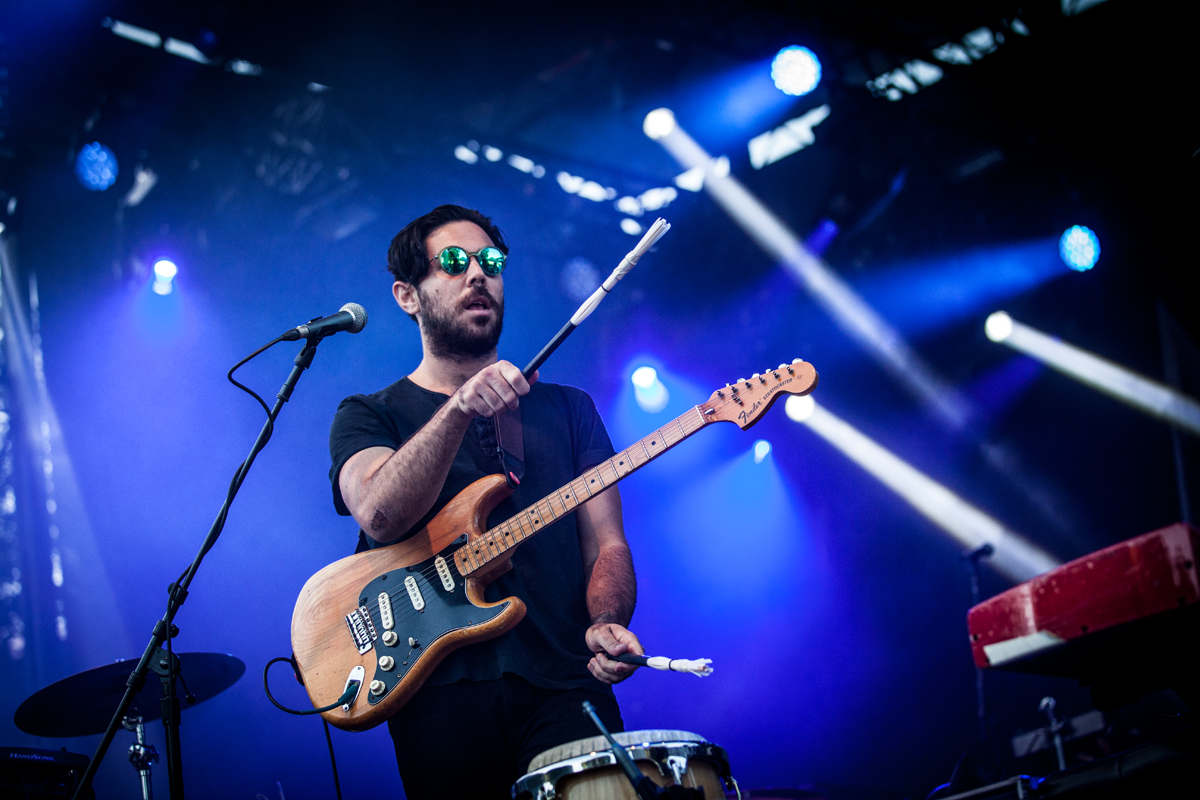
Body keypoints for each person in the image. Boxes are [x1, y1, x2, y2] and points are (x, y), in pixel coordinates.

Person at [327, 204, 643, 799]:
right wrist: (459, 407)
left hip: (567, 683)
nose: (478, 274)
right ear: (407, 295)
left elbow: (606, 540)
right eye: (453, 262)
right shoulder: (369, 414)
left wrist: (606, 621)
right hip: (439, 693)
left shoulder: (570, 410)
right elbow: (378, 512)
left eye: (490, 262)